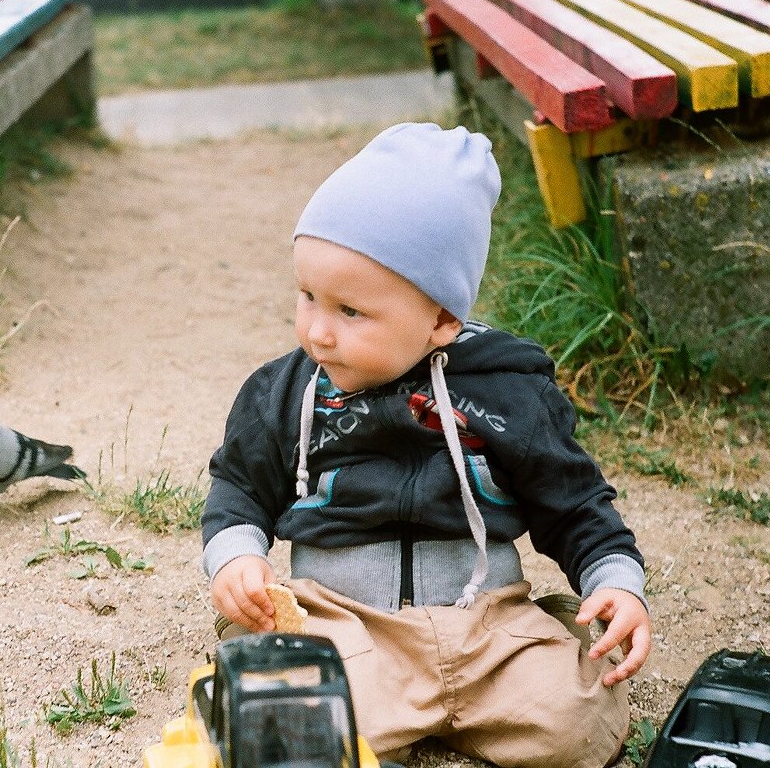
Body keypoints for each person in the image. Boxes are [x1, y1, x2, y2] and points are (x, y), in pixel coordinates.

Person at [201, 123, 651, 768]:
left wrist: (617, 581)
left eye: (349, 311)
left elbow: (574, 502)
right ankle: (340, 707)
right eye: (307, 298)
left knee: (577, 719)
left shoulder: (507, 391)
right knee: (294, 721)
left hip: (486, 622)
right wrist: (236, 558)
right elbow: (238, 487)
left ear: (442, 319)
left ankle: (488, 688)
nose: (317, 332)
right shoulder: (285, 391)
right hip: (346, 622)